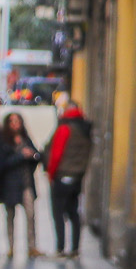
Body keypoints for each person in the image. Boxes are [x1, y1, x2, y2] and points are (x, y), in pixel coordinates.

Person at [0, 112, 44, 259]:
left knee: (30, 215)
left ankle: (32, 247)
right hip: (10, 185)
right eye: (12, 121)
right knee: (10, 216)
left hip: (26, 183)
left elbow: (37, 155)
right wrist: (21, 156)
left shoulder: (26, 139)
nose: (15, 124)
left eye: (18, 121)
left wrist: (32, 155)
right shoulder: (4, 141)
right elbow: (3, 163)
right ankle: (11, 247)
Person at [45, 94, 92, 258]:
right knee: (73, 213)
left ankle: (60, 248)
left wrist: (50, 174)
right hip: (77, 176)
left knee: (58, 212)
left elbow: (56, 154)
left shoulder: (65, 128)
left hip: (62, 175)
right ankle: (75, 249)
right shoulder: (85, 128)